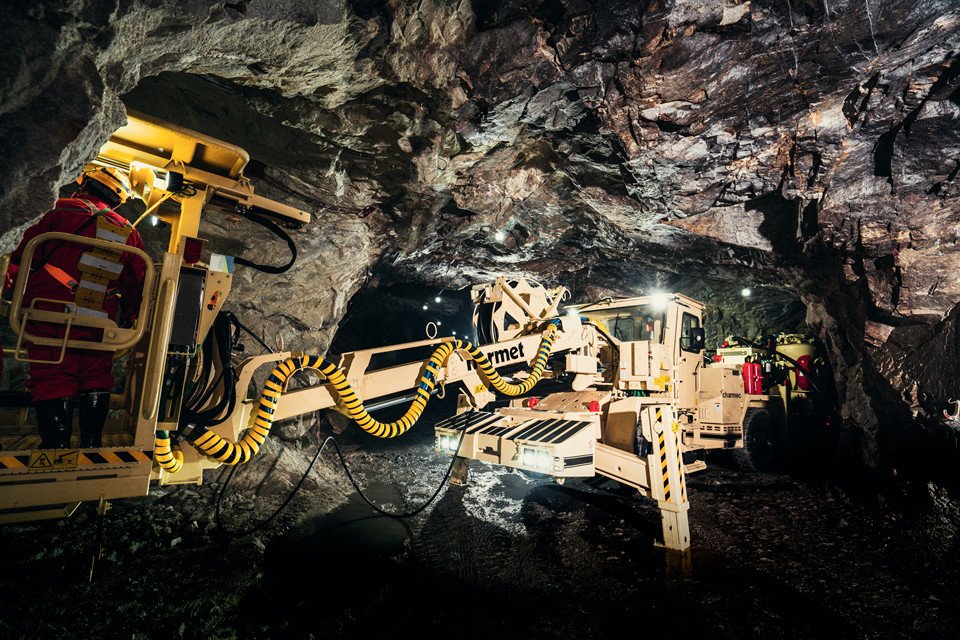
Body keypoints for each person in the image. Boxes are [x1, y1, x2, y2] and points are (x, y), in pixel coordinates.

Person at [7, 166, 146, 449]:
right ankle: (91, 441)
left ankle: (56, 444)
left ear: (83, 186)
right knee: (95, 373)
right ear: (117, 200)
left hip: (47, 309)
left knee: (53, 373)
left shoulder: (54, 211)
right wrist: (130, 317)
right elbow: (137, 283)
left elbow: (18, 252)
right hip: (98, 319)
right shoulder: (128, 231)